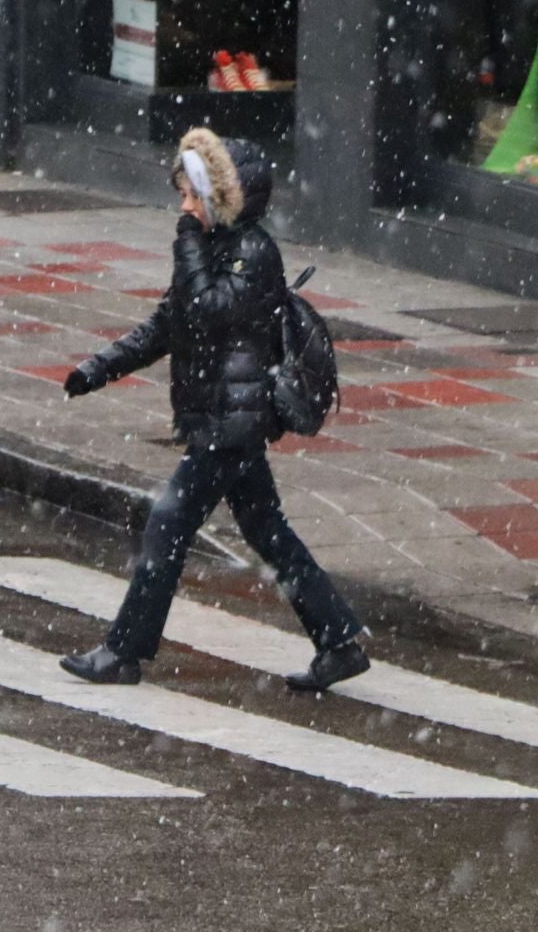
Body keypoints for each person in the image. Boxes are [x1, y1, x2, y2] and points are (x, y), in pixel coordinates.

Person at [58, 127, 368, 692]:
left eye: (193, 196)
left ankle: (123, 653)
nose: (183, 207)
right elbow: (166, 325)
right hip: (222, 419)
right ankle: (338, 640)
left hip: (233, 423)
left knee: (168, 523)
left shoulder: (252, 253)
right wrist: (98, 369)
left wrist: (187, 239)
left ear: (222, 199)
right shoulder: (215, 249)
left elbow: (207, 307)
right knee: (267, 529)